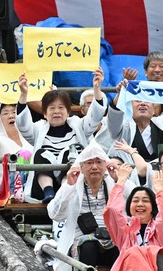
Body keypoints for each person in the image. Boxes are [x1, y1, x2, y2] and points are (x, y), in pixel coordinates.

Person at [48, 142, 131, 271]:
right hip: (82, 240)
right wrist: (68, 186)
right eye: (89, 163)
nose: (94, 167)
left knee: (120, 249)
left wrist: (120, 180)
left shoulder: (113, 182)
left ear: (106, 165)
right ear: (81, 167)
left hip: (112, 238)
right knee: (88, 247)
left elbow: (136, 203)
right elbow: (55, 214)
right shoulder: (74, 184)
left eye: (99, 162)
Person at [16, 68, 106, 201]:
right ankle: (49, 191)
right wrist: (24, 94)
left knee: (71, 152)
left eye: (61, 107)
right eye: (52, 108)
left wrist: (97, 89)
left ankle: (65, 192)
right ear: (45, 113)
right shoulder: (39, 128)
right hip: (43, 190)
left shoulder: (78, 125)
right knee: (40, 153)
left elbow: (95, 116)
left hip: (73, 187)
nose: (56, 111)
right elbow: (23, 124)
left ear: (68, 112)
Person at [104, 166, 163, 271]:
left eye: (146, 200)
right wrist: (121, 182)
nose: (140, 204)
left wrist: (160, 192)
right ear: (129, 207)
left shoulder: (158, 231)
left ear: (153, 207)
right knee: (134, 252)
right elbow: (112, 210)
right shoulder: (124, 231)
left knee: (156, 251)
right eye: (135, 201)